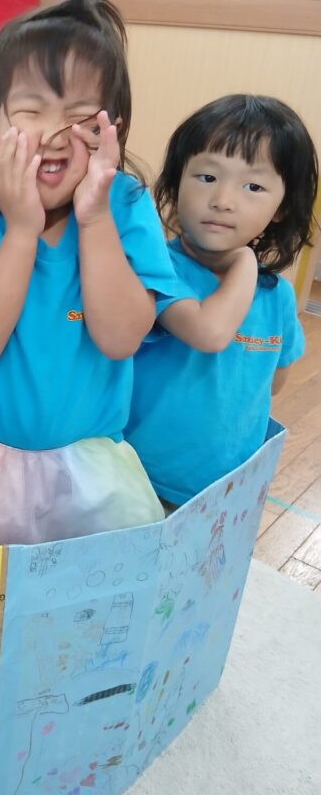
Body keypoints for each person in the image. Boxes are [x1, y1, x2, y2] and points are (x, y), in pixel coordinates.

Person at [0, 0, 183, 548]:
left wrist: (94, 219)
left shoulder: (126, 206)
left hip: (92, 465)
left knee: (94, 590)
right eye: (32, 109)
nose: (56, 133)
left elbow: (120, 338)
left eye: (81, 114)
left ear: (112, 131)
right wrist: (22, 229)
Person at [126, 94, 318, 507]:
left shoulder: (277, 296)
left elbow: (275, 381)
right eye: (207, 177)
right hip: (140, 483)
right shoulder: (158, 270)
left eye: (253, 186)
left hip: (229, 490)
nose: (223, 200)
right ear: (177, 182)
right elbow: (209, 332)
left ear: (282, 207)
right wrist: (246, 260)